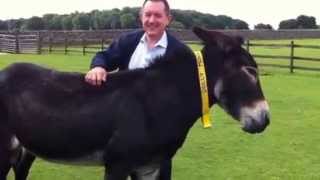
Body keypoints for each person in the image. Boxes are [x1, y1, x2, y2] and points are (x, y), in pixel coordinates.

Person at [85, 0, 192, 179]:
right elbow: (103, 56)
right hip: (124, 134)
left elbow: (186, 98)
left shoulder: (181, 54)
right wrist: (98, 67)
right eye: (147, 14)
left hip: (159, 140)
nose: (151, 20)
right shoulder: (129, 41)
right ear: (141, 17)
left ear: (168, 19)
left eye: (158, 15)